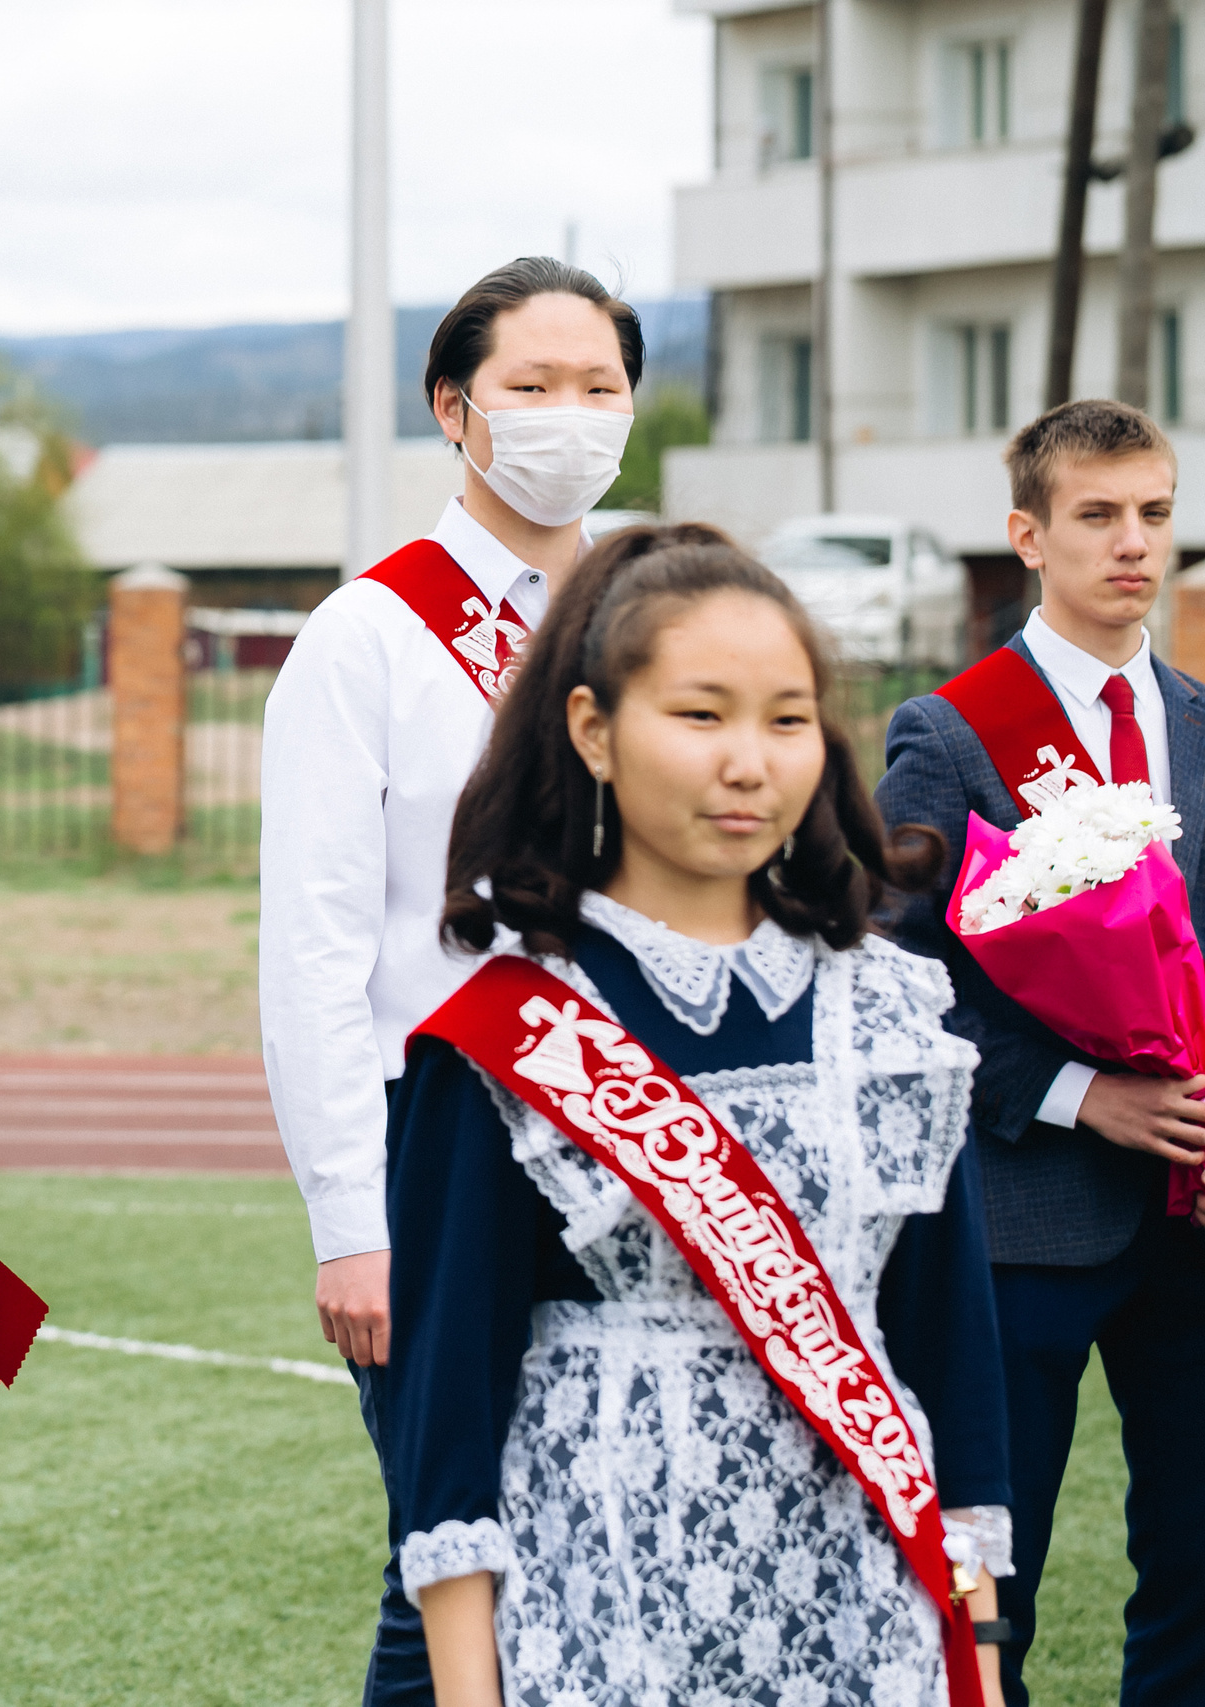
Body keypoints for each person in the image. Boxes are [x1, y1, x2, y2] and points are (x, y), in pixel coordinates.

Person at [384, 525, 1011, 1705]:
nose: (750, 763)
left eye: (786, 720)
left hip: (866, 1607)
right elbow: (446, 1422)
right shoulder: (506, 1035)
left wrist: (973, 1650)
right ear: (590, 730)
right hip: (605, 1603)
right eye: (699, 715)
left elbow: (948, 1350)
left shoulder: (892, 1016)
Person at [259, 256, 641, 1700]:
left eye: (597, 387)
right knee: (452, 1565)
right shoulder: (371, 633)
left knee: (613, 1551)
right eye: (530, 388)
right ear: (454, 408)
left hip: (638, 1139)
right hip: (451, 1147)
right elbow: (313, 943)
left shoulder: (650, 614)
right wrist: (351, 1218)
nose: (568, 418)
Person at [875, 398, 1205, 1704]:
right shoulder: (949, 732)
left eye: (1156, 514)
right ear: (1029, 533)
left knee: (1194, 1558)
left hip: (1194, 1216)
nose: (1135, 544)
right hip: (1024, 1217)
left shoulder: (1203, 719)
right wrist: (1080, 1093)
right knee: (990, 1574)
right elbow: (899, 981)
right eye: (1100, 516)